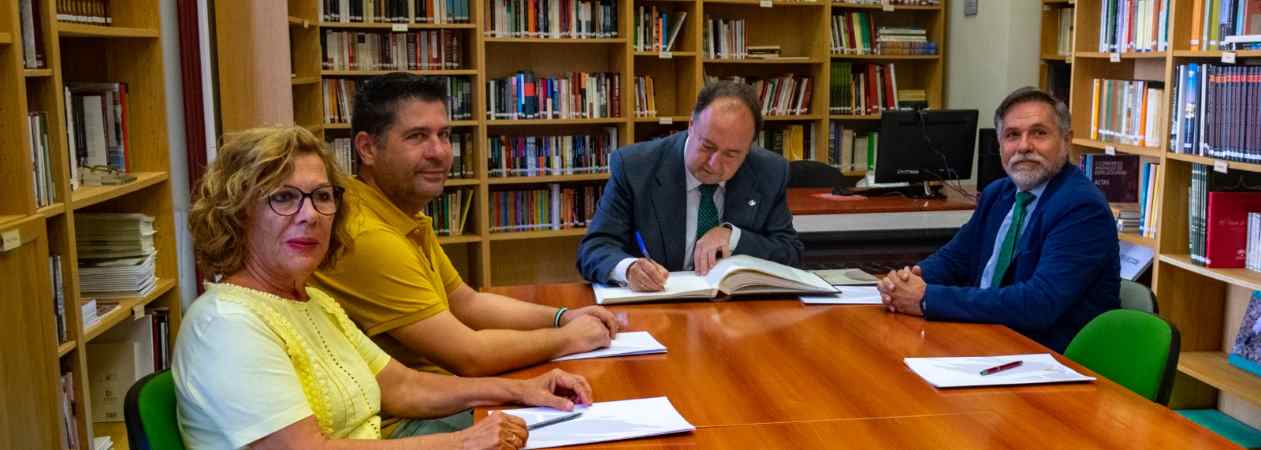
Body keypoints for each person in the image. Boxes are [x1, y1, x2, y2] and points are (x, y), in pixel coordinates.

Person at [176, 126, 593, 449]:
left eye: (322, 196)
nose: (311, 215)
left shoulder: (311, 300)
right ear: (237, 213)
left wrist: (520, 389)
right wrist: (458, 443)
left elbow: (403, 387)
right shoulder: (227, 325)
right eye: (284, 198)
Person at [310, 73, 619, 381]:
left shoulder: (399, 212)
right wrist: (570, 337)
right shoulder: (366, 235)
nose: (440, 152)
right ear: (366, 149)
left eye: (444, 135)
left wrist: (562, 318)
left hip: (445, 391)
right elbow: (470, 355)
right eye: (417, 136)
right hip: (411, 417)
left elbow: (466, 302)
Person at [876, 87, 1120, 352]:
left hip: (1043, 359)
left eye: (1039, 133)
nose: (1024, 146)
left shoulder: (1081, 206)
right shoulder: (999, 193)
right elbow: (955, 259)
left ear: (1066, 140)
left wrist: (925, 298)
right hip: (986, 340)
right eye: (1012, 135)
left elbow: (1040, 303)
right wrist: (905, 281)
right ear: (1001, 144)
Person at [576, 81, 804, 292]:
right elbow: (594, 249)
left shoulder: (769, 172)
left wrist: (733, 237)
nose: (714, 164)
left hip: (735, 314)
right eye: (707, 146)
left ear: (749, 147)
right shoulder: (636, 167)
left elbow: (790, 253)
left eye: (732, 154)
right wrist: (628, 268)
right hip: (657, 308)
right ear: (691, 125)